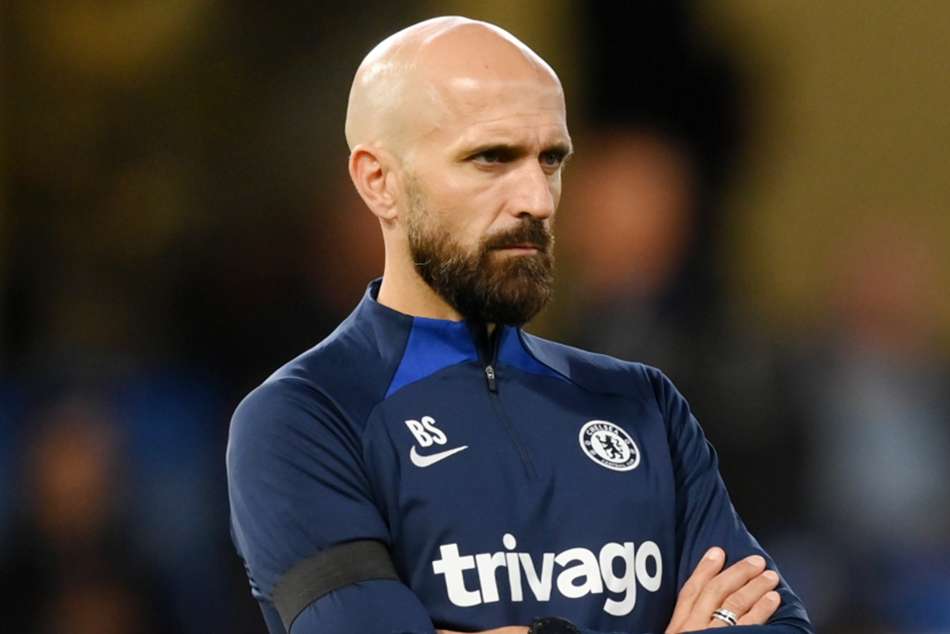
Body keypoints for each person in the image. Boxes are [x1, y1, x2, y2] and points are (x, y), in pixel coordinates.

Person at [226, 16, 812, 634]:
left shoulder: (643, 403)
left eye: (551, 160)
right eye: (492, 158)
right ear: (380, 181)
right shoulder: (306, 418)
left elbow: (779, 622)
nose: (536, 199)